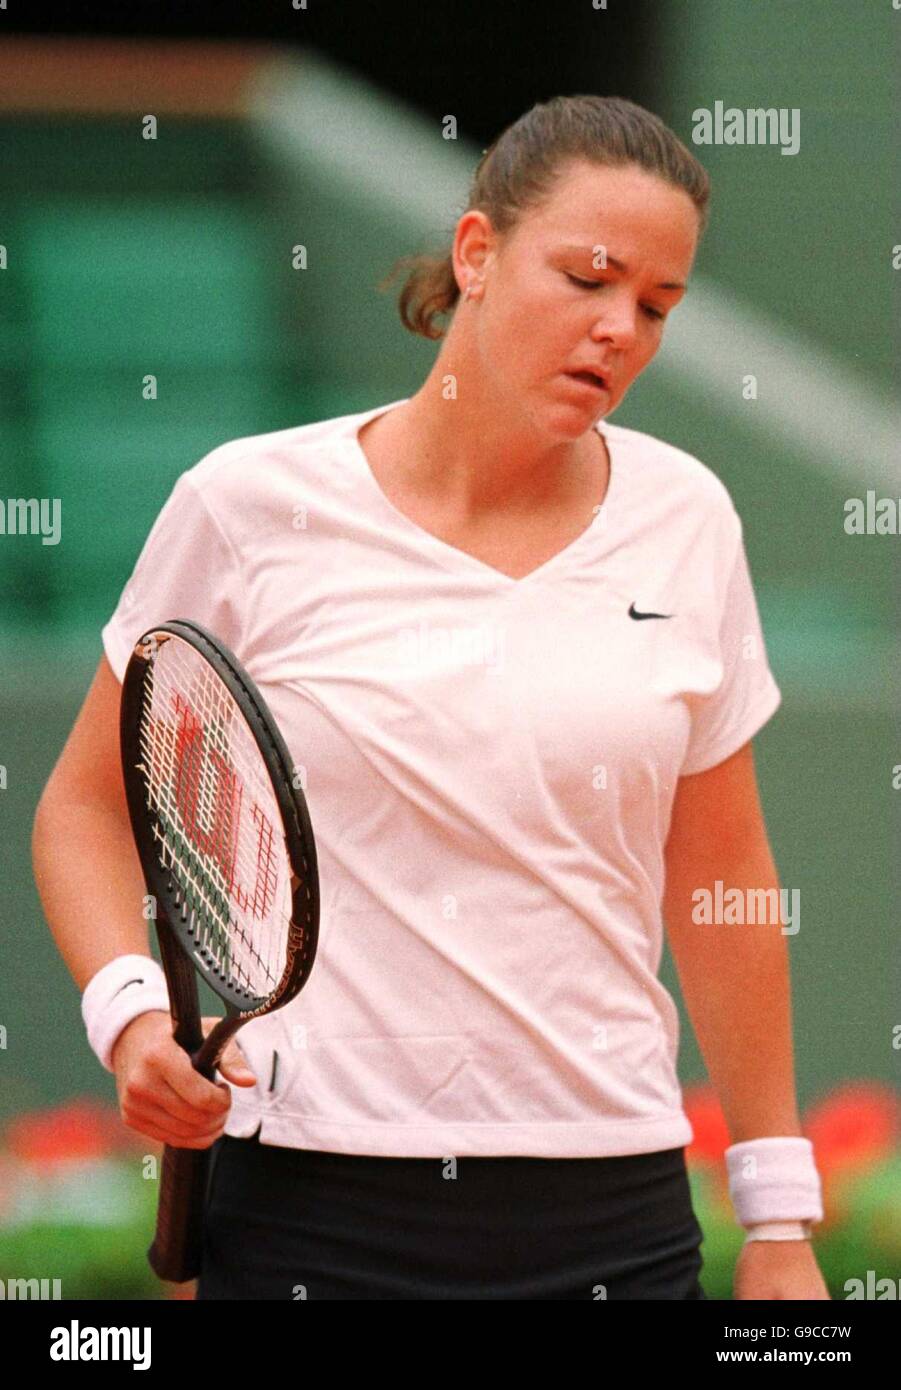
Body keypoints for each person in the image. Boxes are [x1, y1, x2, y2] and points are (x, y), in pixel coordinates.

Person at [33, 94, 829, 1300]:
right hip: (306, 1207)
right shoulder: (244, 505)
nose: (620, 328)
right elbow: (88, 807)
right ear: (475, 254)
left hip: (613, 1210)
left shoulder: (688, 520)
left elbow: (718, 877)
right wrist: (135, 1016)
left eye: (656, 307)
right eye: (588, 278)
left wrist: (778, 1217)